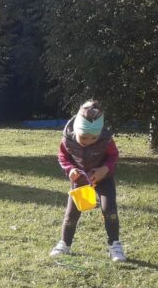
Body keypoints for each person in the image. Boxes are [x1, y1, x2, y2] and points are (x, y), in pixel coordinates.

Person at [50, 100, 127, 262]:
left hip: (103, 178)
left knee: (109, 210)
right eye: (84, 137)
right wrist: (70, 169)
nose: (89, 141)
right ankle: (65, 244)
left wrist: (104, 170)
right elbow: (62, 156)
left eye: (94, 137)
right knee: (71, 213)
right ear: (76, 130)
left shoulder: (105, 139)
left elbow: (113, 156)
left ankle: (115, 245)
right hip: (80, 179)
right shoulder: (68, 139)